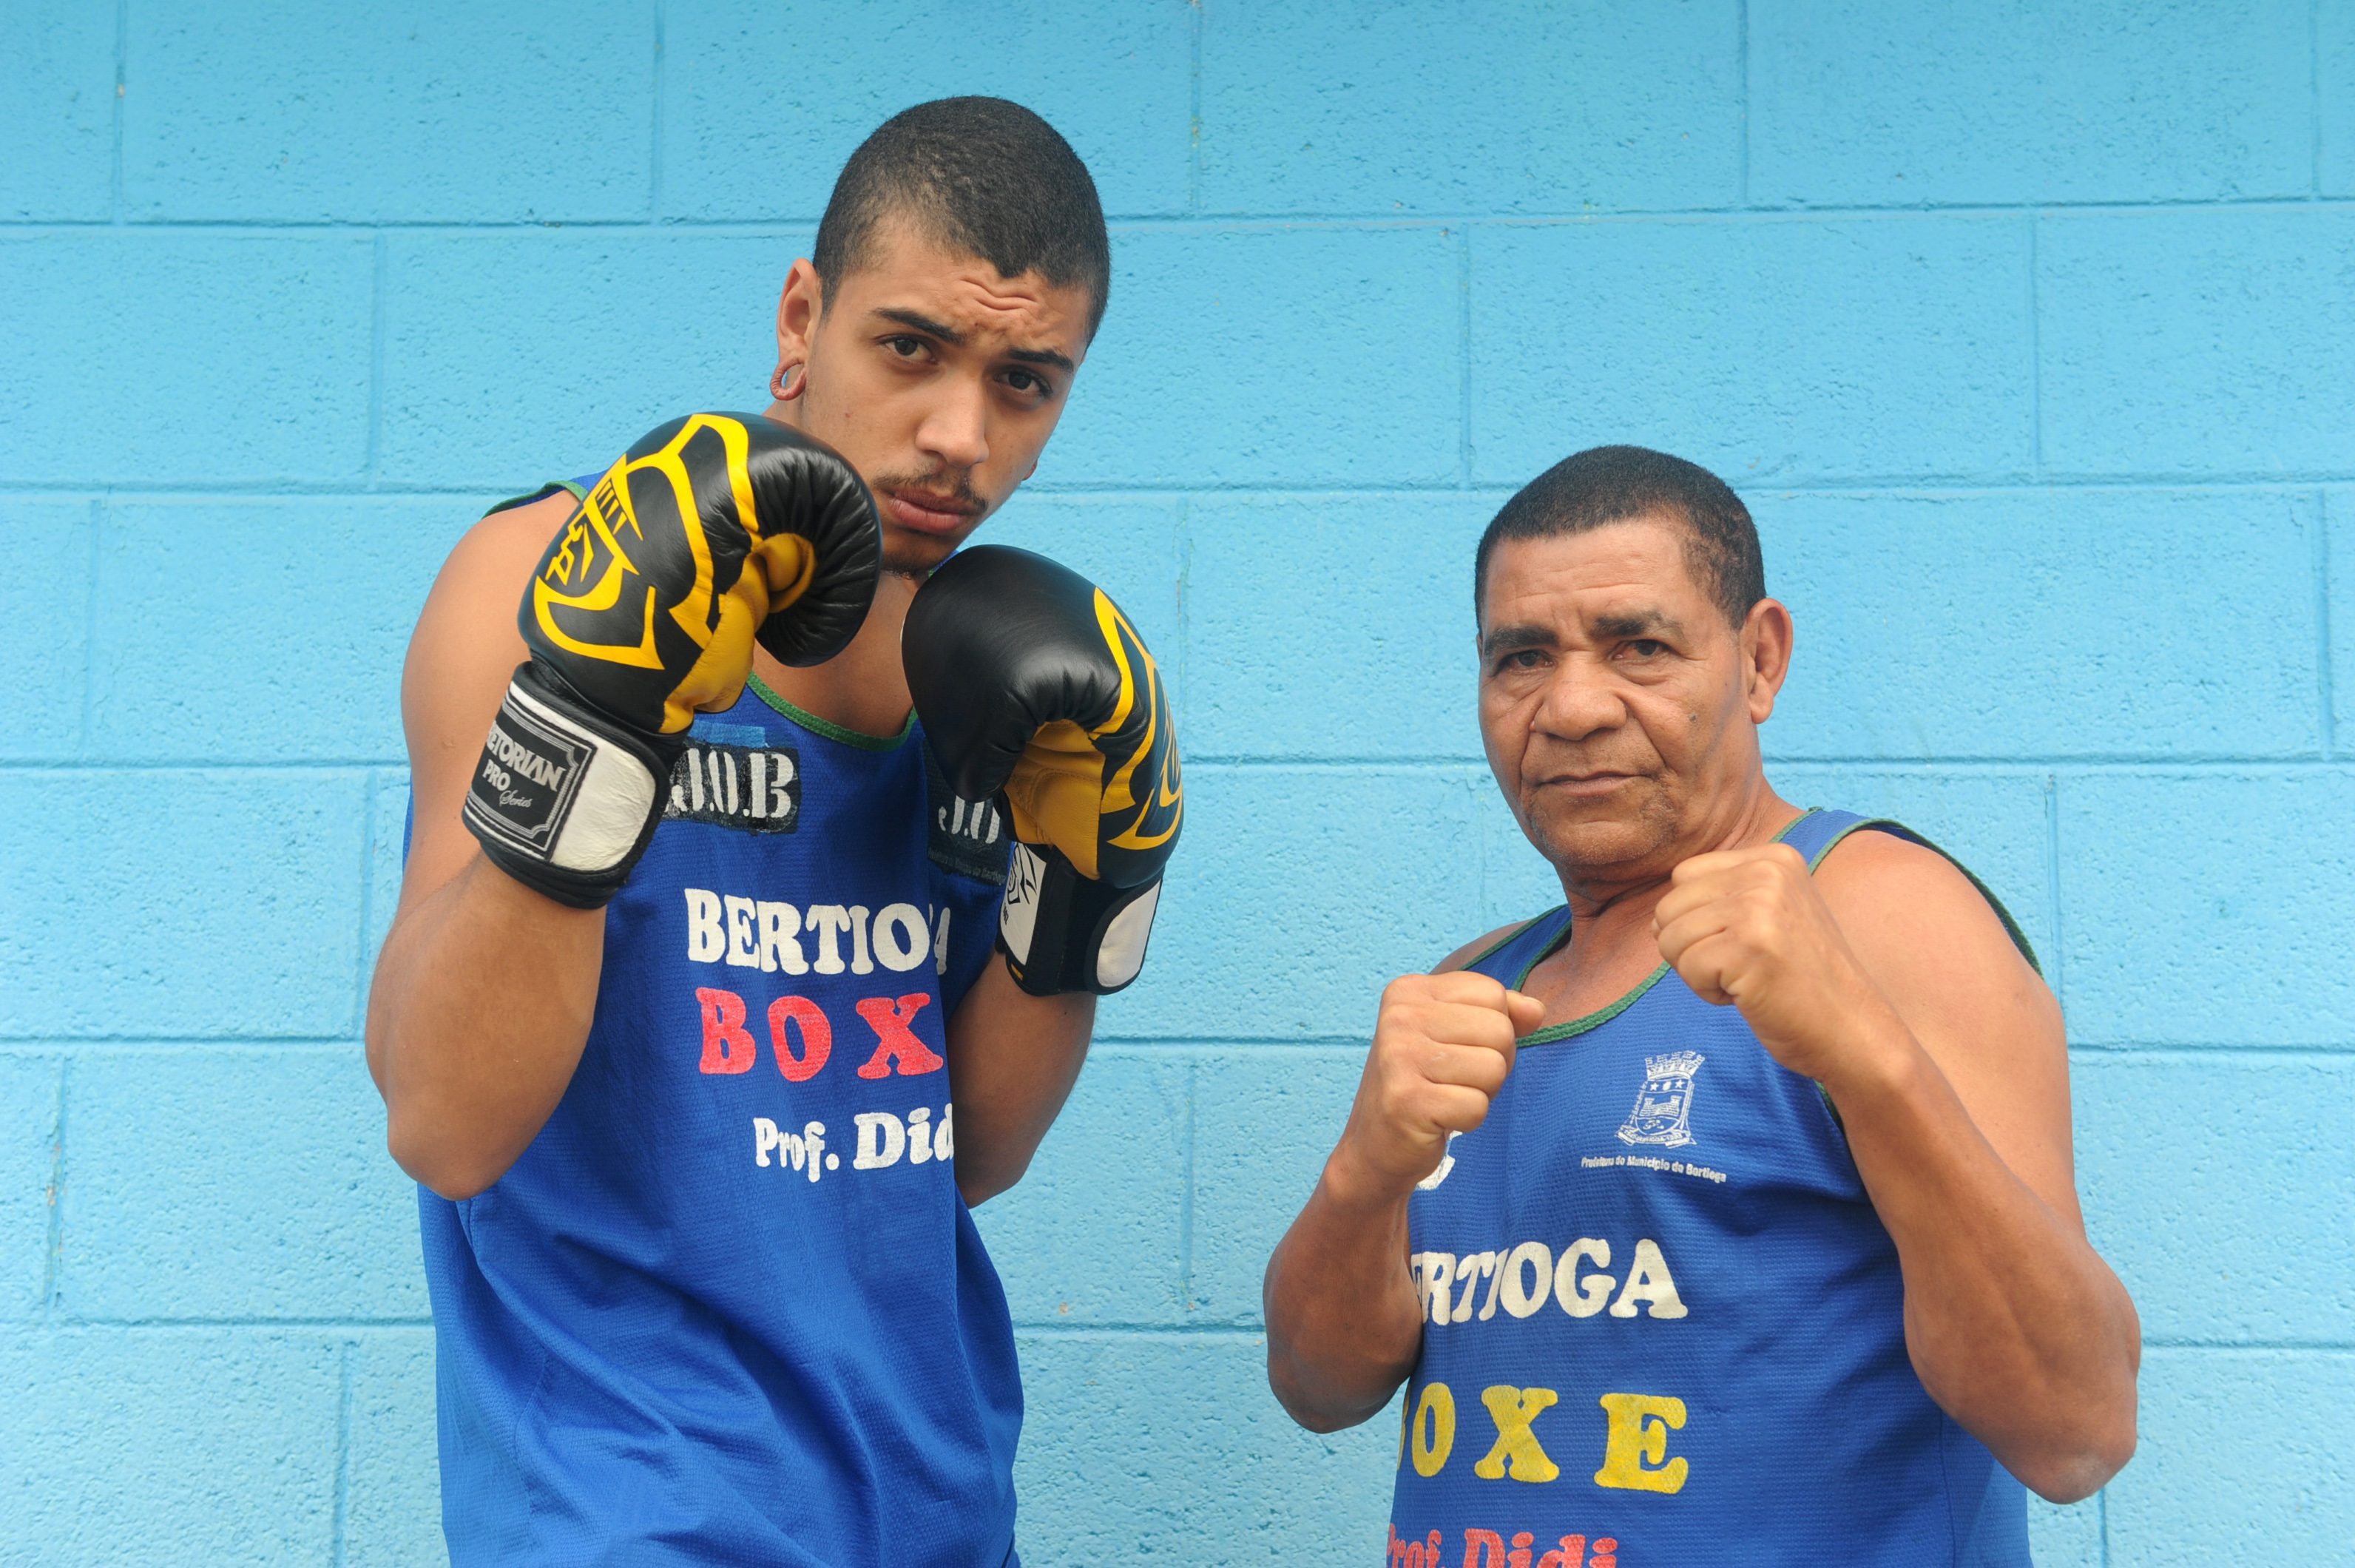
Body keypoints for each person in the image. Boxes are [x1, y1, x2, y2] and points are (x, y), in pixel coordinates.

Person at [365, 98, 1180, 1567]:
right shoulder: (543, 575)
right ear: (803, 312)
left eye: (1024, 382)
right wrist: (600, 721)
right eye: (911, 347)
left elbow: (971, 1148)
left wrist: (1084, 887)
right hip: (629, 1499)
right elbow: (444, 1118)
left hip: (931, 1497)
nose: (956, 436)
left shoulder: (1002, 681)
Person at [1262, 446, 2138, 1567]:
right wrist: (1363, 1172)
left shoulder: (1880, 913)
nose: (1573, 707)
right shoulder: (1478, 985)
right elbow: (1319, 1389)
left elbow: (2077, 1431)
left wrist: (1865, 1056)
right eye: (1522, 658)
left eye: (1640, 646)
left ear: (1759, 660)